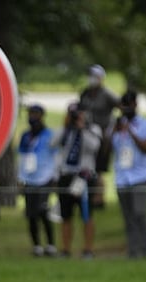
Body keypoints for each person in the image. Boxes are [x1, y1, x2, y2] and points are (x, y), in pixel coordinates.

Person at [112, 90, 146, 259]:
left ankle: (145, 250)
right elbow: (106, 150)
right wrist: (113, 130)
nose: (126, 109)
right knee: (128, 217)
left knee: (140, 214)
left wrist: (130, 130)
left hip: (139, 177)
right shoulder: (117, 126)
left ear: (135, 105)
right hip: (122, 178)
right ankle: (132, 251)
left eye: (129, 104)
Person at [52, 103, 102, 259]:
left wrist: (82, 129)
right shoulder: (65, 131)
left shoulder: (93, 130)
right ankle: (66, 249)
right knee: (65, 215)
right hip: (66, 175)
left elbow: (94, 147)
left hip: (84, 176)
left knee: (86, 214)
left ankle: (88, 249)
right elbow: (53, 143)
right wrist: (67, 125)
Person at [17, 104, 58, 257]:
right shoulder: (25, 136)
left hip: (45, 177)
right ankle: (36, 246)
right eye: (30, 114)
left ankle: (50, 244)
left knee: (43, 211)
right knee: (31, 214)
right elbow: (21, 157)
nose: (32, 117)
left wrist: (54, 177)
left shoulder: (49, 135)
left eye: (35, 114)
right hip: (29, 178)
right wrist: (20, 178)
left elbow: (55, 156)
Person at [78, 64, 120, 209]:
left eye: (95, 76)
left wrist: (113, 129)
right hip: (87, 135)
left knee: (99, 168)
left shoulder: (107, 94)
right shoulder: (85, 93)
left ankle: (99, 199)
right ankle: (86, 195)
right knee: (87, 166)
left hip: (103, 136)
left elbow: (121, 107)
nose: (91, 79)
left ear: (101, 78)